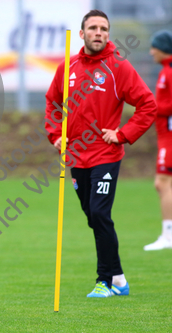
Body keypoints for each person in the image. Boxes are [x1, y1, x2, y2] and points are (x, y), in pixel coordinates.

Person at [45, 10, 157, 297]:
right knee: (93, 217)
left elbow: (147, 105)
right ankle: (119, 276)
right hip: (76, 158)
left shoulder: (117, 67)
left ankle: (104, 281)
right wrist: (56, 135)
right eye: (93, 28)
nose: (99, 32)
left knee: (99, 213)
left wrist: (122, 134)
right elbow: (52, 103)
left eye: (103, 28)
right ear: (81, 34)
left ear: (108, 34)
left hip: (106, 155)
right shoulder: (66, 68)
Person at [144, 30, 172, 251]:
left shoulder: (170, 71)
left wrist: (153, 107)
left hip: (169, 136)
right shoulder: (165, 70)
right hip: (164, 135)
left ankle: (168, 235)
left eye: (154, 46)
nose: (151, 51)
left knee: (162, 183)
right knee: (163, 183)